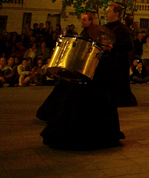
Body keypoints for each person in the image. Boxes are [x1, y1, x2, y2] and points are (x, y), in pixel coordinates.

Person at [40, 11, 124, 149]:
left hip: (95, 72)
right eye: (82, 19)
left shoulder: (103, 31)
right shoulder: (87, 32)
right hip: (83, 71)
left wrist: (108, 49)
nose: (82, 21)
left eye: (85, 19)